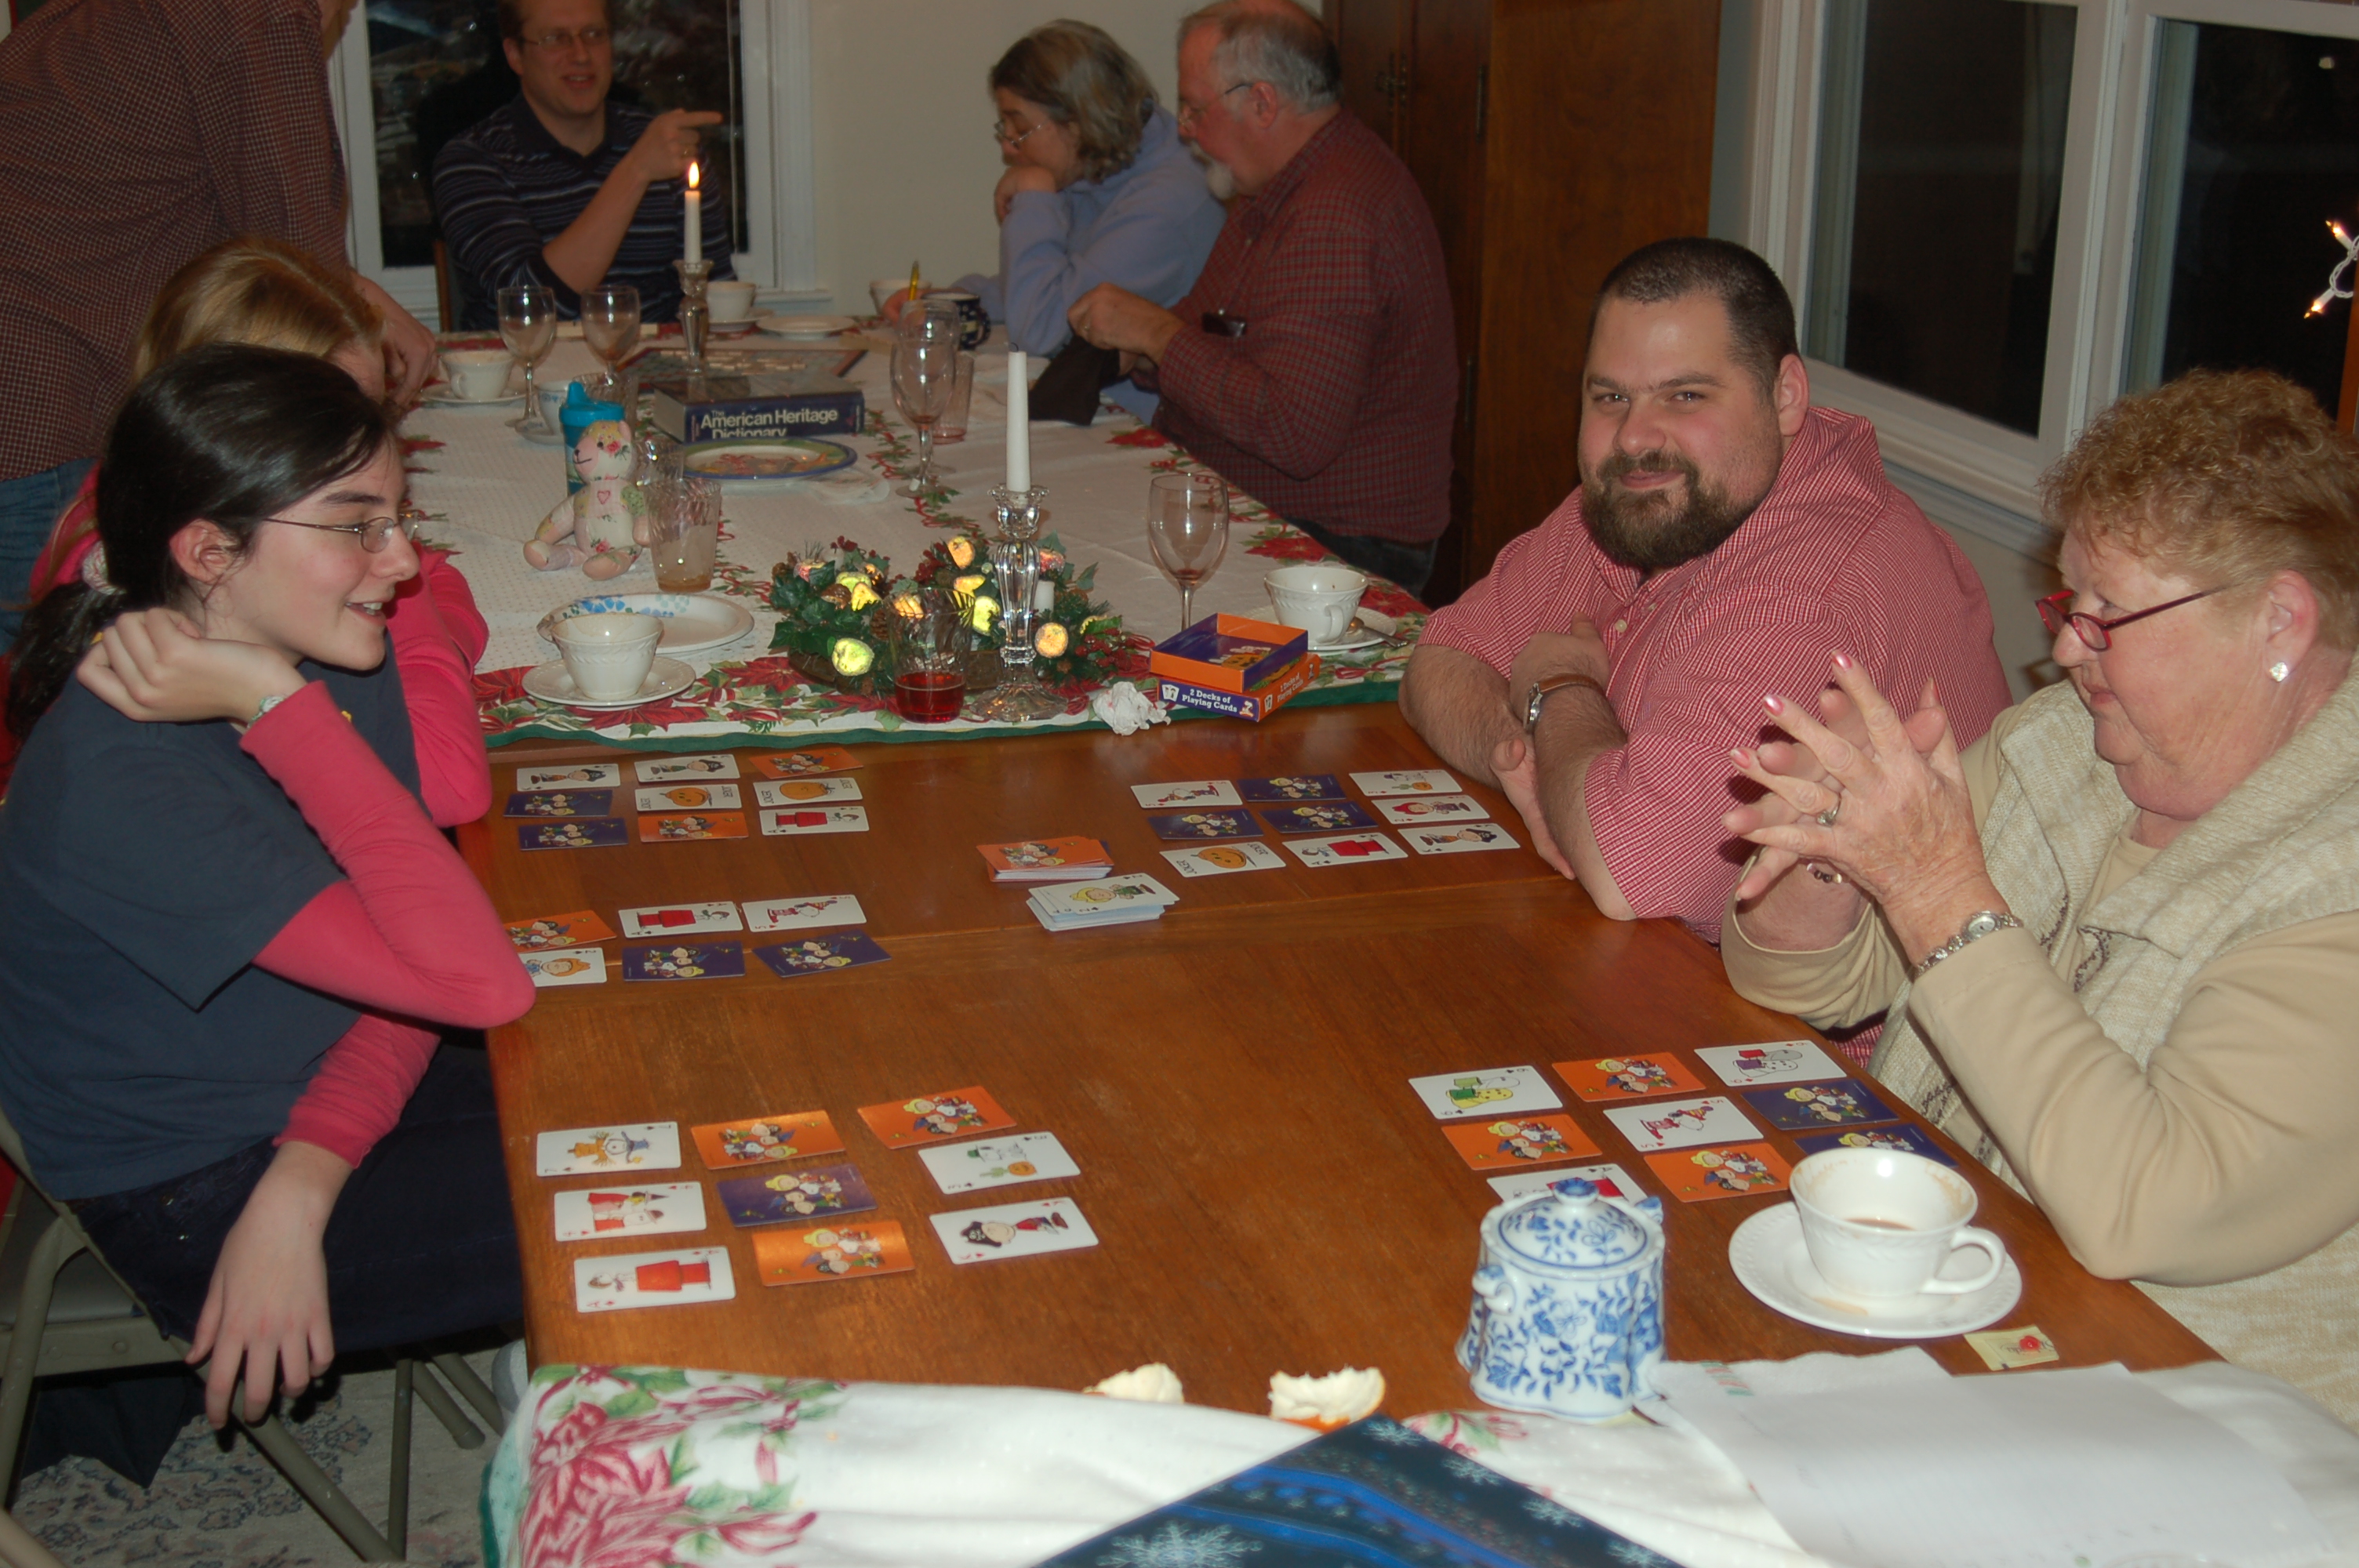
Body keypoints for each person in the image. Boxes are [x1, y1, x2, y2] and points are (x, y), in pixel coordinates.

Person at [1720, 368, 2359, 1422]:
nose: (2063, 648)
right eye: (2071, 603)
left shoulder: (2332, 876)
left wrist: (1935, 888)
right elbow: (1801, 981)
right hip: (1932, 1318)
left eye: (2110, 612)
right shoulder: (2065, 741)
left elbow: (2145, 1207)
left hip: (2178, 1426)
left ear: (2277, 620)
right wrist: (1832, 848)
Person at [0, 346, 529, 1429]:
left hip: (310, 1116)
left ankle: (564, 1365)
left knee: (677, 1067)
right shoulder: (127, 779)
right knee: (690, 1197)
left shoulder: (315, 653)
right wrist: (282, 712)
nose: (403, 562)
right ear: (208, 551)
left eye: (400, 518)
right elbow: (477, 987)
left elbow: (421, 970)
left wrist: (309, 1173)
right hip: (201, 1189)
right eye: (357, 525)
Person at [1400, 238, 2010, 943]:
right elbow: (1437, 664)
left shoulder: (1807, 588)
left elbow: (1629, 870)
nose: (1634, 438)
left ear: (1785, 396)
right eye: (1610, 397)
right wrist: (1545, 779)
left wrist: (1560, 685)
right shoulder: (1646, 501)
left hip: (1838, 1015)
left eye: (1685, 395)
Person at [0, 0, 438, 642]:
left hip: (35, 393)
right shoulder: (259, 12)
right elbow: (297, 274)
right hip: (43, 409)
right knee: (61, 672)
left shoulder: (96, 18)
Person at [2, 237, 487, 797]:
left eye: (372, 409)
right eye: (328, 414)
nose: (367, 440)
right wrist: (426, 630)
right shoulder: (148, 643)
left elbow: (434, 573)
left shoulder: (175, 520)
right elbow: (443, 775)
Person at [1065, 0, 1456, 595]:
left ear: (1263, 103)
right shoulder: (1285, 185)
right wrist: (1142, 348)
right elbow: (1217, 330)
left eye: (1196, 109)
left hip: (1337, 547)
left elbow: (1292, 433)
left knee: (1084, 583)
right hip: (1280, 509)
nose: (1185, 129)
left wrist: (1156, 336)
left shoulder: (1335, 214)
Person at [945, 20, 1223, 423]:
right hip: (1087, 402)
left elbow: (1041, 330)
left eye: (1020, 128)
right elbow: (1048, 285)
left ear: (1077, 122)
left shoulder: (1166, 207)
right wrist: (952, 305)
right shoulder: (1101, 163)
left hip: (1144, 425)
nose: (1008, 147)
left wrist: (1036, 197)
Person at [433, 0, 732, 329]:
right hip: (527, 363)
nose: (580, 55)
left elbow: (719, 299)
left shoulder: (667, 149)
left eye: (593, 34)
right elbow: (530, 309)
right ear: (515, 55)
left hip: (660, 359)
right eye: (555, 39)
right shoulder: (472, 160)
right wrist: (636, 171)